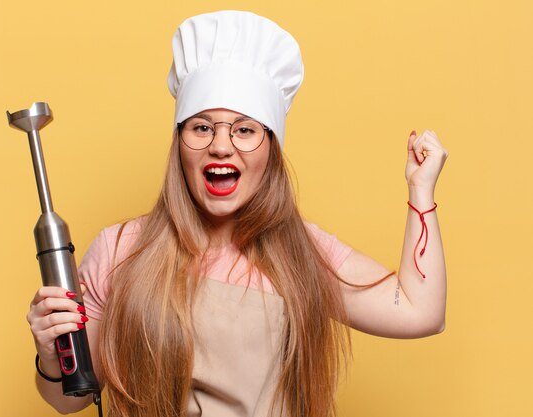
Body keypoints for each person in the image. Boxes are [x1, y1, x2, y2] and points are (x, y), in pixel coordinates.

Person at [26, 10, 448, 417]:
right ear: (179, 143)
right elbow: (72, 399)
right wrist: (50, 353)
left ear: (270, 149)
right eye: (202, 127)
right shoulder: (120, 251)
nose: (221, 146)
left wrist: (421, 189)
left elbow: (418, 311)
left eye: (244, 129)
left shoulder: (300, 253)